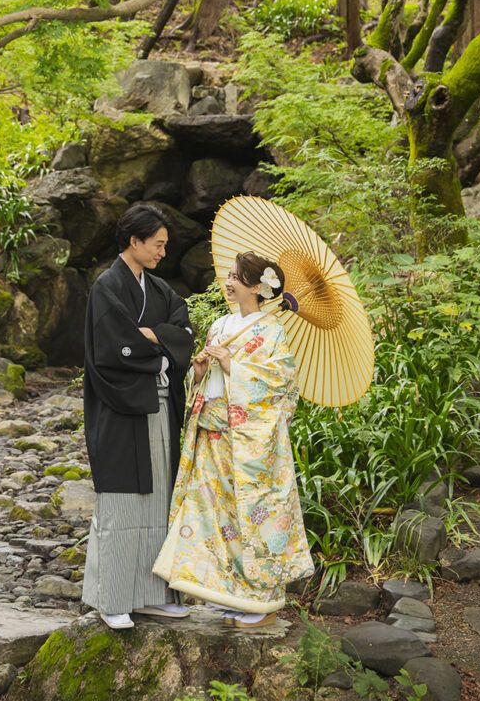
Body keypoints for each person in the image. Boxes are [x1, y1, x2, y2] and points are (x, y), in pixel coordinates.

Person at [151, 250, 314, 629]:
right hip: (213, 432)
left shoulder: (272, 330)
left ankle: (261, 598)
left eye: (236, 277)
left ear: (257, 287)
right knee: (212, 514)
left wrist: (232, 365)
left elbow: (282, 385)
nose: (228, 282)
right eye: (227, 275)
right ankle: (226, 591)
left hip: (249, 442)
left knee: (250, 515)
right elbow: (206, 385)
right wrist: (202, 370)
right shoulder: (220, 326)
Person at [80, 203, 196, 630]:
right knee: (122, 506)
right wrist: (160, 349)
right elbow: (111, 350)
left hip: (160, 406)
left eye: (166, 245)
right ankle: (112, 599)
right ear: (135, 241)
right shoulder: (106, 287)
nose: (163, 252)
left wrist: (155, 338)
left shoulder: (160, 289)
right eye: (158, 244)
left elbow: (183, 330)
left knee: (160, 499)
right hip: (120, 407)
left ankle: (153, 595)